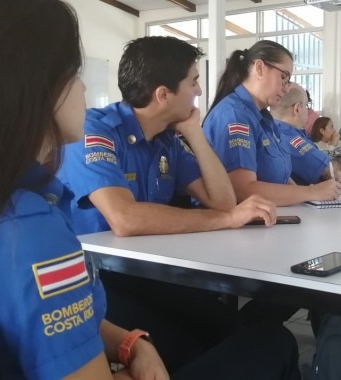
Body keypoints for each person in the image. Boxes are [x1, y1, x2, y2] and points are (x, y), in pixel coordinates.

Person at [57, 35, 299, 377]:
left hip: (152, 275)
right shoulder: (98, 130)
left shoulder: (167, 138)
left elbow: (223, 199)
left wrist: (195, 134)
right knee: (221, 345)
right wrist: (227, 219)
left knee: (225, 327)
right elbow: (124, 218)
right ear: (163, 95)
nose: (199, 92)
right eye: (193, 82)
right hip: (103, 282)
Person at [203, 41, 341, 206]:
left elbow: (282, 178)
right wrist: (310, 192)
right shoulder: (235, 115)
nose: (286, 88)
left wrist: (307, 199)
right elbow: (243, 191)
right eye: (283, 77)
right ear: (260, 68)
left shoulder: (263, 119)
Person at [271, 83, 341, 184]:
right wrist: (338, 165)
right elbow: (330, 171)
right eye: (306, 105)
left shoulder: (269, 132)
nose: (308, 110)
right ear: (297, 109)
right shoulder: (291, 139)